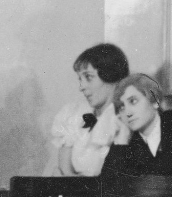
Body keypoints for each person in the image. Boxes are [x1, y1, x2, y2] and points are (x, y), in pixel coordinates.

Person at [49, 44, 128, 178]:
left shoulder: (126, 120)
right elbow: (65, 173)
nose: (82, 87)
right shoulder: (74, 114)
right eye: (80, 79)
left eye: (88, 77)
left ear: (111, 76)